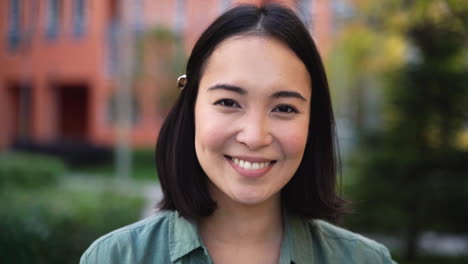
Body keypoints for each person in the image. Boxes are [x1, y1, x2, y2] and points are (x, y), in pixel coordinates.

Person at [81, 4, 395, 264]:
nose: (255, 136)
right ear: (191, 109)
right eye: (229, 102)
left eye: (284, 108)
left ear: (313, 122)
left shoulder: (365, 260)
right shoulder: (116, 258)